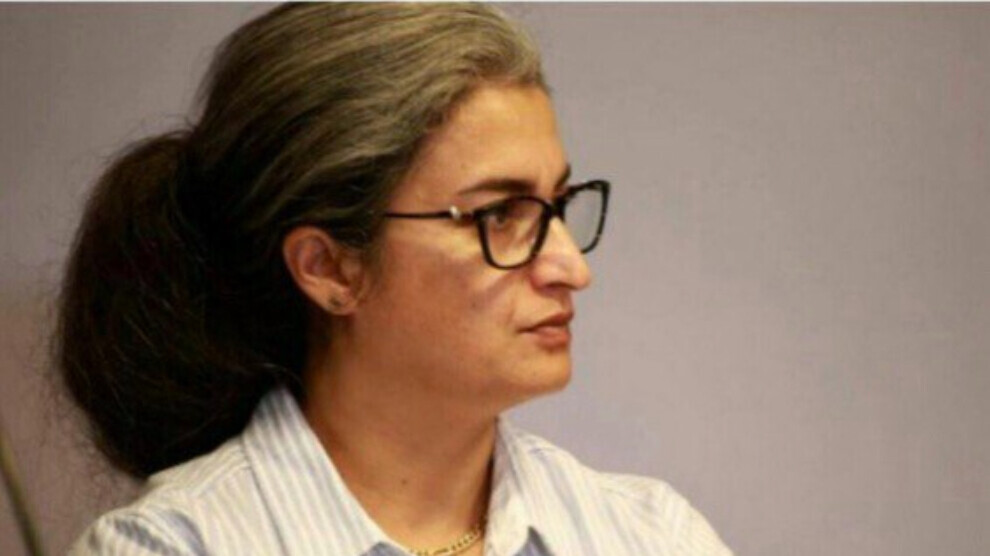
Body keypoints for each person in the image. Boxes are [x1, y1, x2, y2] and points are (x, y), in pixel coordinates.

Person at [57, 4, 732, 555]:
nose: (572, 269)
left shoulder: (652, 536)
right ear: (329, 268)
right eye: (500, 215)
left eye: (557, 205)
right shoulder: (171, 547)